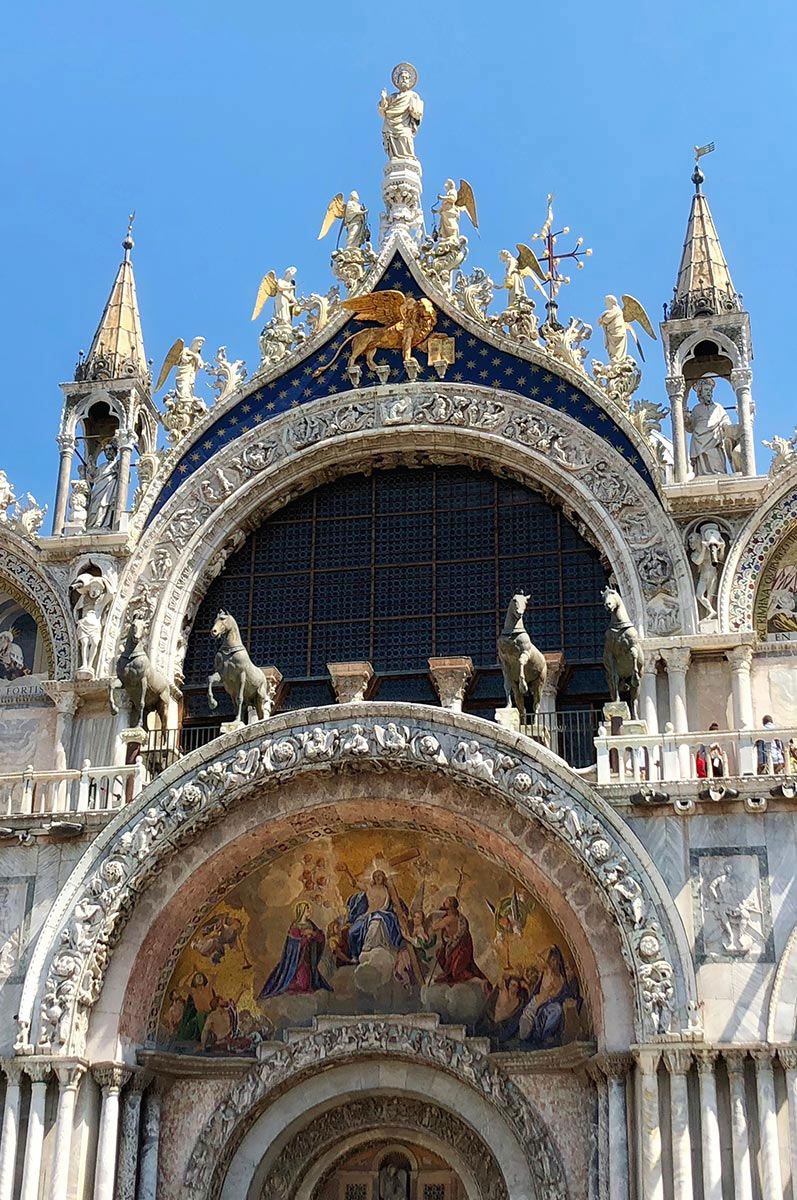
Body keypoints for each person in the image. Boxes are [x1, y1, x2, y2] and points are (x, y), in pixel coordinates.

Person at [258, 902, 331, 998]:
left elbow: (320, 937)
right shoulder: (295, 926)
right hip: (296, 960)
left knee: (306, 983)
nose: (309, 912)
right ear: (302, 911)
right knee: (299, 984)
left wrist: (312, 934)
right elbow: (292, 943)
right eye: (307, 910)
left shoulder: (310, 924)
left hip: (307, 957)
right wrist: (304, 937)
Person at [430, 897, 488, 985]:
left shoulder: (448, 919)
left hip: (459, 948)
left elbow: (434, 927)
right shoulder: (459, 916)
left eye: (447, 901)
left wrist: (437, 917)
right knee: (440, 955)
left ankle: (480, 982)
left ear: (450, 906)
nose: (444, 902)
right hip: (460, 947)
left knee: (457, 972)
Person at [685, 378, 731, 476]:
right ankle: (702, 474)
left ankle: (717, 472)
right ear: (700, 393)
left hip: (714, 438)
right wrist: (685, 419)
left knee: (715, 458)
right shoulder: (696, 409)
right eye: (706, 390)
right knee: (702, 460)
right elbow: (690, 427)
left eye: (710, 390)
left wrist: (726, 426)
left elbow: (725, 419)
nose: (709, 393)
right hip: (698, 439)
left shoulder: (718, 407)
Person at [378, 64, 423, 160]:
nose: (404, 80)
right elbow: (383, 111)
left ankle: (409, 158)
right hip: (390, 125)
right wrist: (383, 99)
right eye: (402, 78)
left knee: (405, 137)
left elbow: (417, 114)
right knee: (393, 143)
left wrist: (414, 110)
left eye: (406, 78)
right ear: (397, 81)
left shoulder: (413, 95)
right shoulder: (392, 97)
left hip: (404, 125)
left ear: (409, 81)